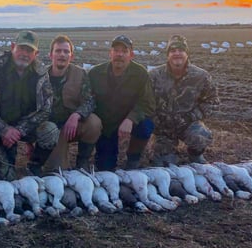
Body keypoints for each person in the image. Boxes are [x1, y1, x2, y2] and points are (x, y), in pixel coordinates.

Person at [0, 30, 57, 181]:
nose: (25, 53)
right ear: (13, 47)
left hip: (23, 127)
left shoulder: (41, 72)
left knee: (50, 131)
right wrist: (4, 129)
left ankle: (34, 165)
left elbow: (46, 107)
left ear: (36, 53)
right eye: (22, 48)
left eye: (29, 50)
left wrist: (19, 130)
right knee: (6, 178)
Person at [149, 34, 220, 165]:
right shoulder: (154, 75)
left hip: (188, 124)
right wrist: (156, 121)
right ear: (167, 55)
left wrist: (191, 117)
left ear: (187, 53)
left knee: (200, 135)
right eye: (173, 51)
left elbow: (212, 102)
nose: (177, 53)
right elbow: (145, 101)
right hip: (163, 127)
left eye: (181, 50)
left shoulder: (201, 76)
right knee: (165, 165)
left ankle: (195, 155)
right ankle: (167, 153)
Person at [34, 35, 101, 172]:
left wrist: (77, 115)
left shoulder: (80, 74)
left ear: (71, 56)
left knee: (94, 122)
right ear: (50, 55)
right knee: (57, 172)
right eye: (58, 51)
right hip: (49, 129)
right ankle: (39, 160)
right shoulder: (39, 76)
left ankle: (82, 160)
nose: (62, 55)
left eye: (66, 51)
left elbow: (90, 100)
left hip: (72, 126)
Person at [88, 35, 155, 171]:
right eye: (116, 50)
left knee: (145, 125)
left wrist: (131, 119)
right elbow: (87, 99)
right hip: (106, 125)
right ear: (110, 53)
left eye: (124, 51)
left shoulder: (141, 74)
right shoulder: (95, 73)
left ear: (131, 55)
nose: (119, 54)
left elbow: (147, 103)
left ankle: (133, 159)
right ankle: (93, 155)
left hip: (129, 120)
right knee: (105, 168)